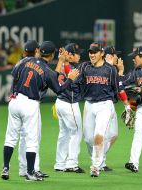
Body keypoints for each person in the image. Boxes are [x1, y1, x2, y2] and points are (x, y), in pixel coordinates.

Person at [1, 41, 79, 181]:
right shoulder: (47, 71)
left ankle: (5, 168)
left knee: (11, 137)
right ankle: (30, 172)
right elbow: (59, 89)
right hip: (30, 104)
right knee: (32, 140)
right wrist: (70, 79)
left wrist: (60, 62)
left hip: (15, 101)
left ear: (39, 51)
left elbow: (15, 76)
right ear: (52, 54)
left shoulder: (24, 61)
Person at [80, 42, 129, 177]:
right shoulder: (85, 67)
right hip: (89, 104)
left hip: (105, 105)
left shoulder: (110, 70)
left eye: (95, 52)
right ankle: (99, 159)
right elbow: (76, 80)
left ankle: (95, 166)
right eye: (90, 52)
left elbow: (118, 88)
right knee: (89, 139)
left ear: (101, 53)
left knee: (99, 135)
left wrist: (127, 104)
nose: (92, 54)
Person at [17, 40, 49, 178]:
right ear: (36, 50)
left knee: (25, 137)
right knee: (32, 137)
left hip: (20, 102)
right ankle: (30, 169)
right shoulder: (33, 65)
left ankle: (26, 168)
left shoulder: (22, 64)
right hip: (29, 103)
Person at [53, 43, 85, 173]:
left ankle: (59, 163)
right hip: (69, 103)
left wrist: (63, 60)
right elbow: (73, 81)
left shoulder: (60, 65)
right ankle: (71, 163)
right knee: (76, 132)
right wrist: (66, 62)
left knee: (64, 134)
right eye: (77, 53)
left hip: (60, 102)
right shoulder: (69, 67)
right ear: (70, 55)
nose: (80, 56)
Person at [100, 46, 123, 172]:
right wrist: (120, 72)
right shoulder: (106, 69)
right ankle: (99, 161)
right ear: (109, 56)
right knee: (102, 135)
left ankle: (100, 157)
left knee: (113, 134)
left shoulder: (112, 68)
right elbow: (118, 87)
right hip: (102, 105)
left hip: (110, 105)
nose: (117, 57)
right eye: (115, 55)